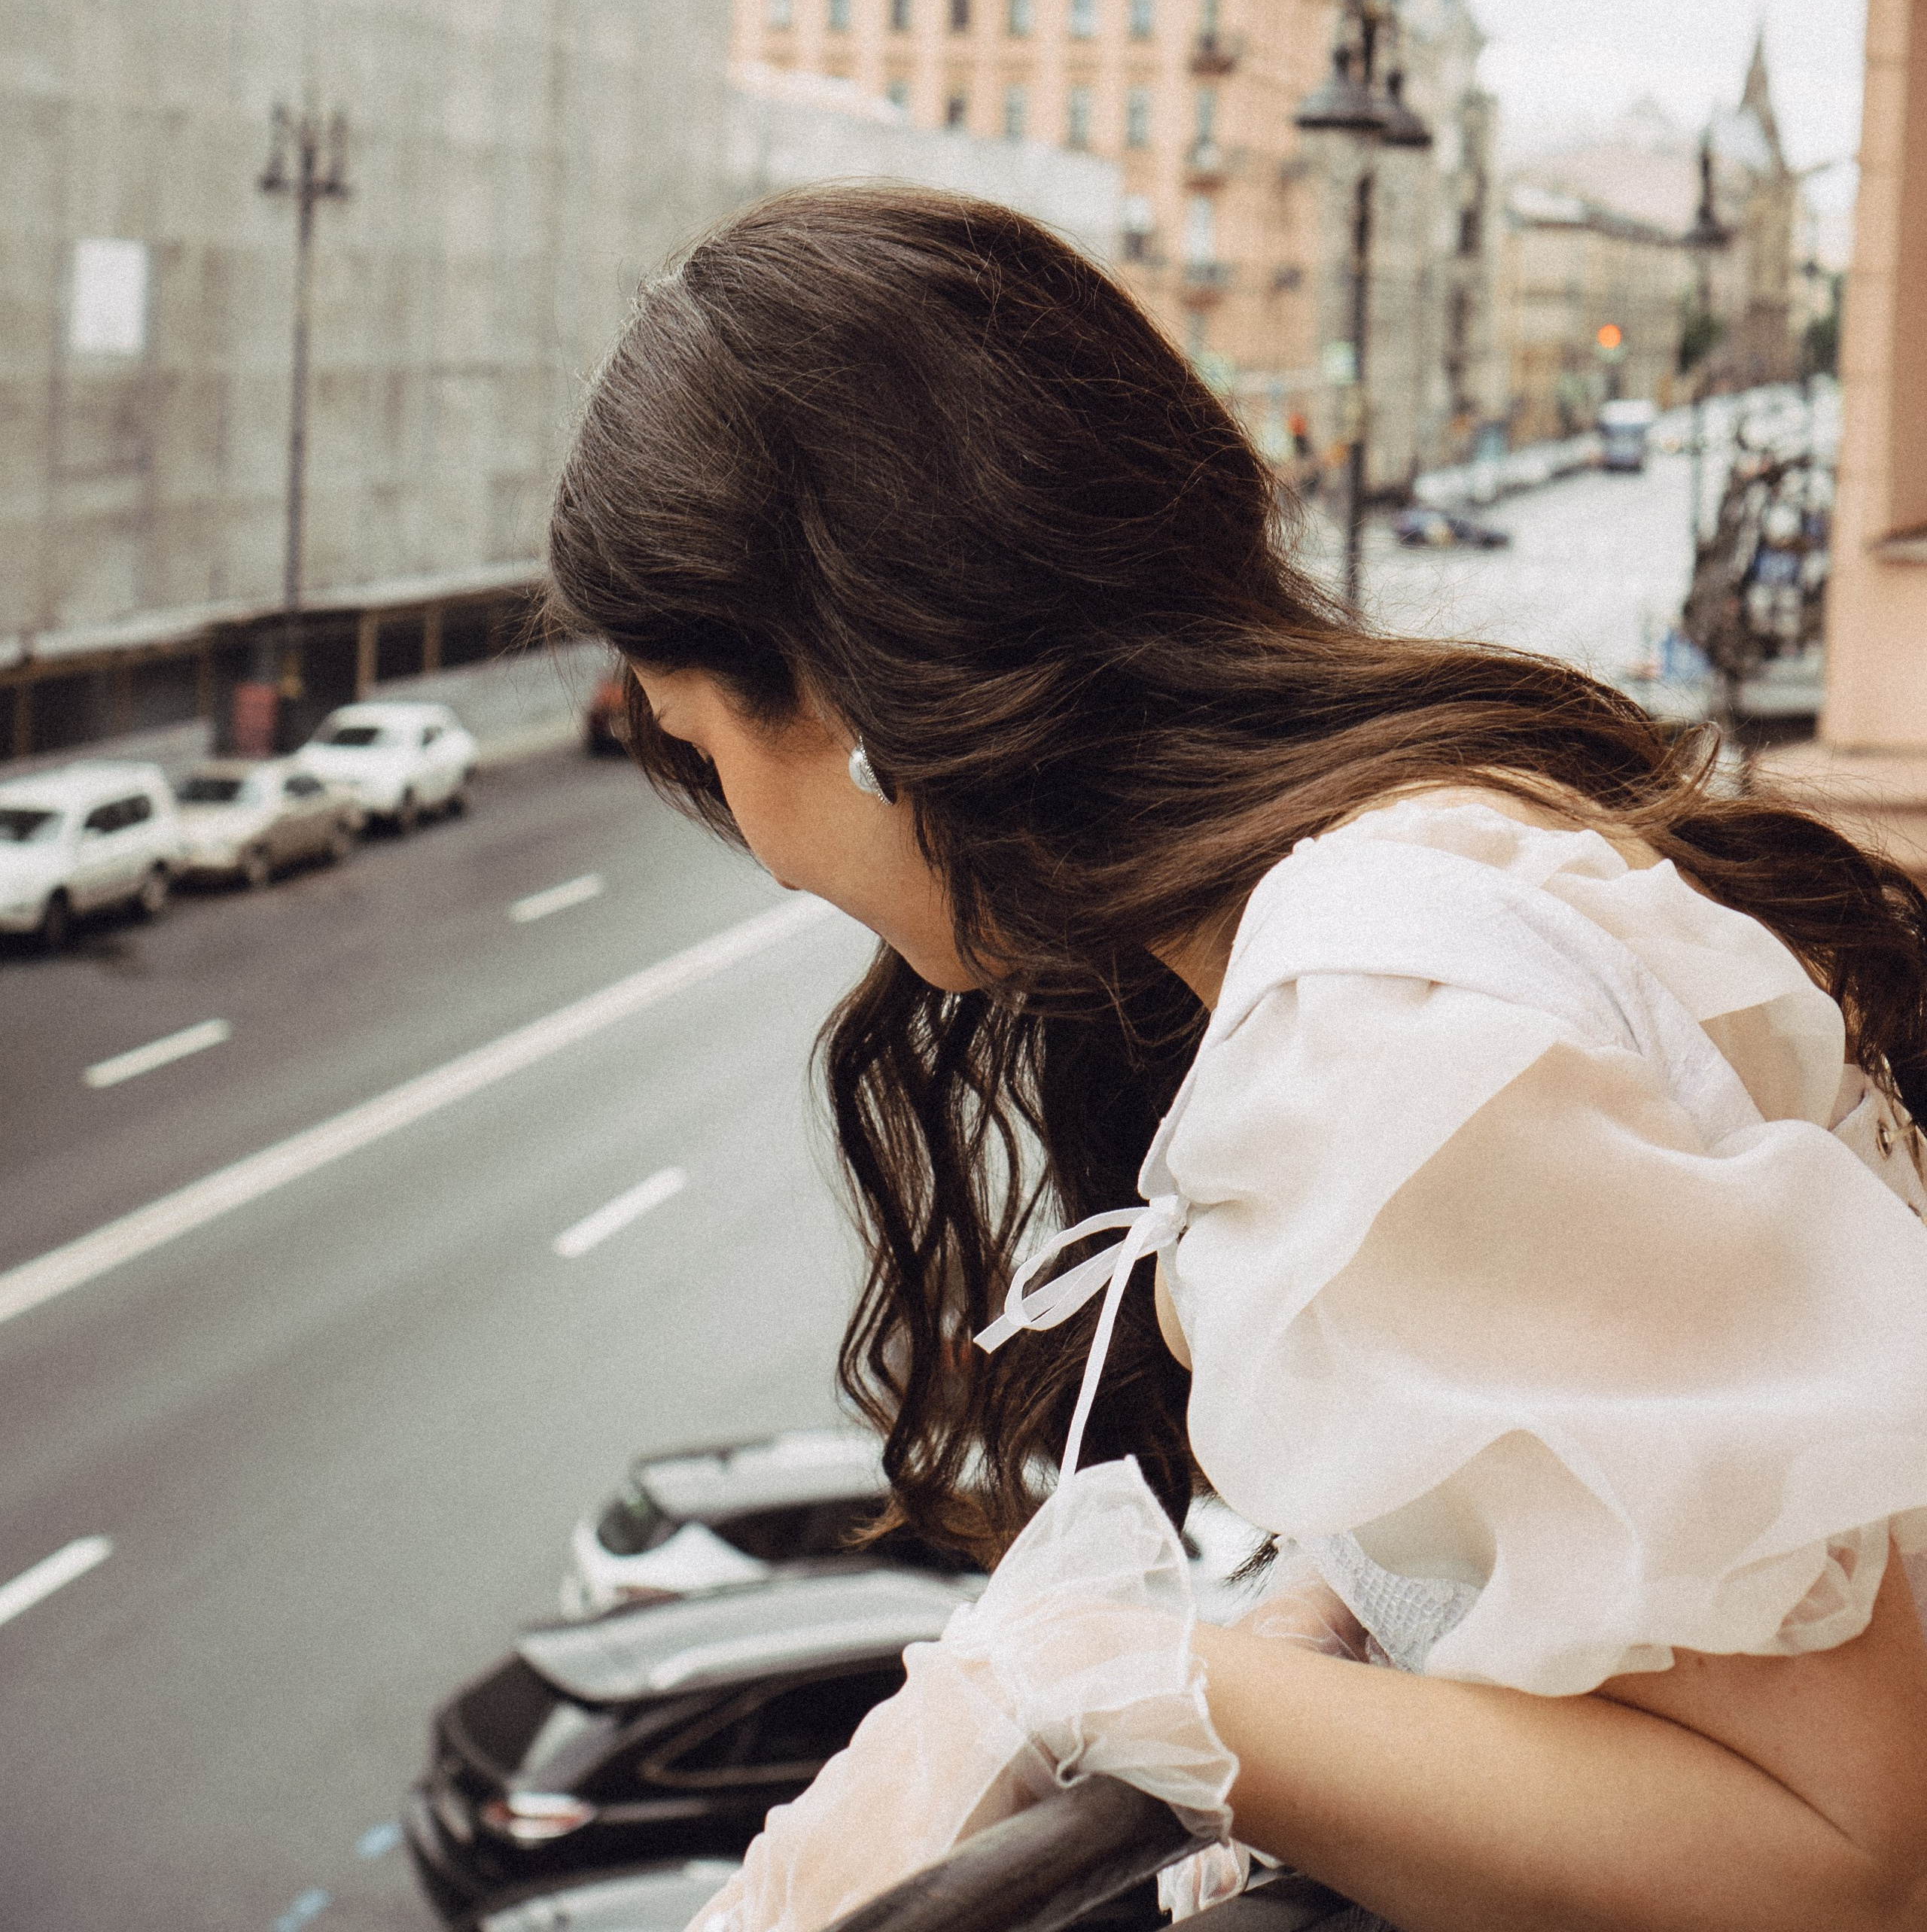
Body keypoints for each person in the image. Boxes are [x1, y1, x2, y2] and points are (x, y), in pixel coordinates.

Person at [546, 187, 1927, 1932]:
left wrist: (1098, 1674)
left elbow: (1833, 1857)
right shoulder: (1453, 837)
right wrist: (1338, 1620)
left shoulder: (1368, 1027)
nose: (750, 841)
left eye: (696, 742)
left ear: (834, 698)